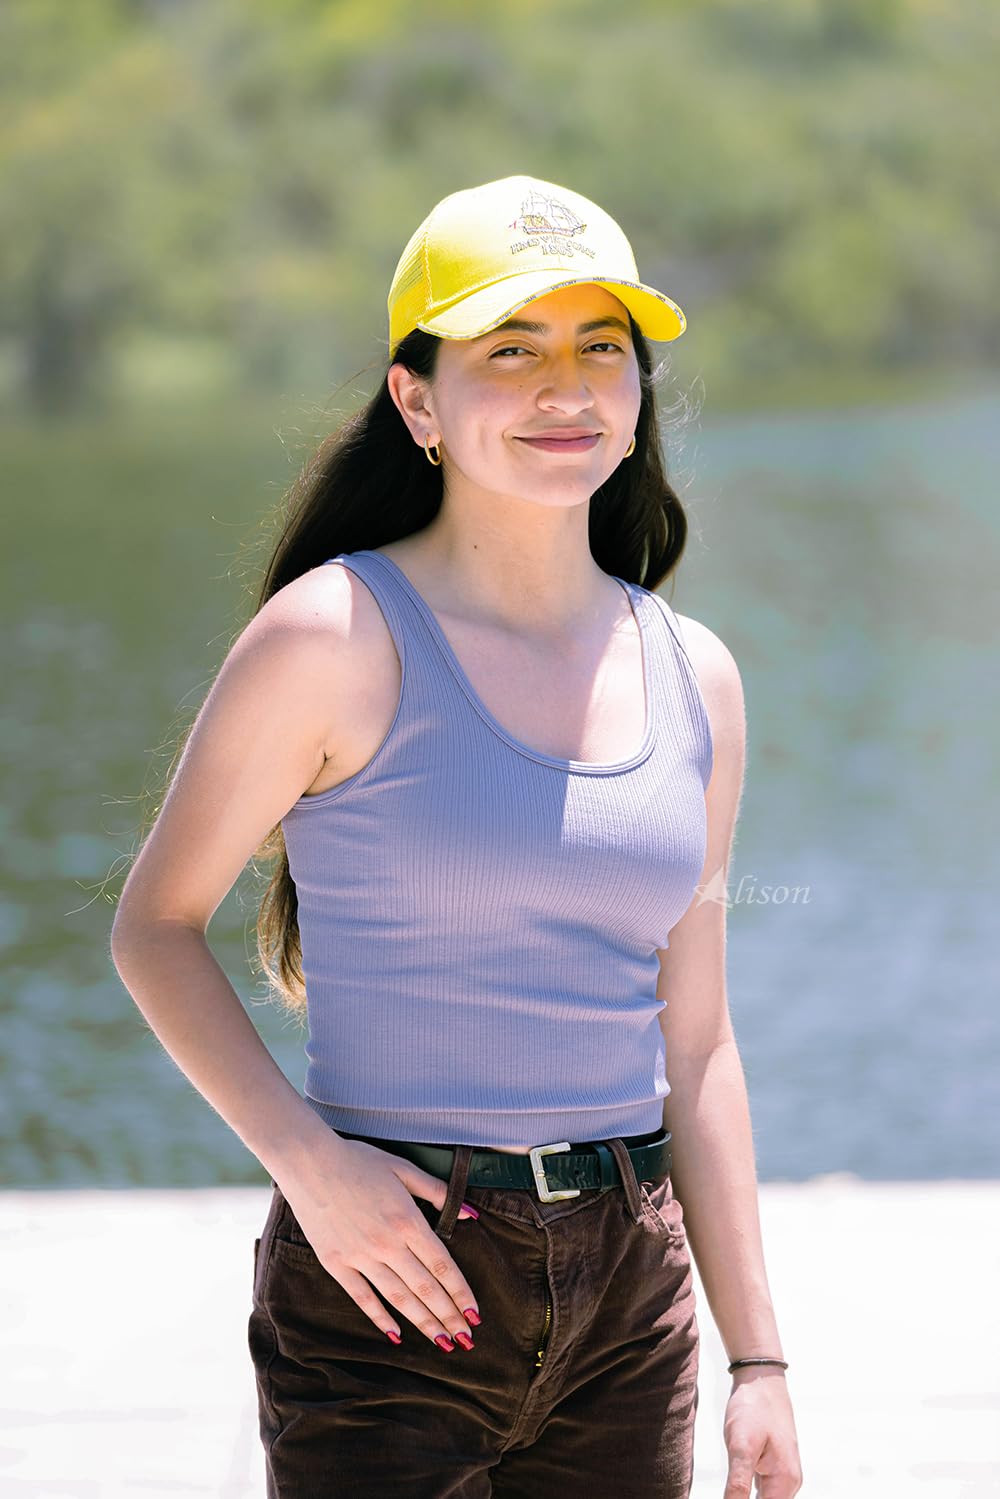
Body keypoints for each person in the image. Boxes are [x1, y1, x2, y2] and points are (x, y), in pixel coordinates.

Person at [110, 173, 803, 1498]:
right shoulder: (332, 636)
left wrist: (757, 1360)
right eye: (511, 352)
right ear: (418, 401)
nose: (568, 389)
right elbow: (156, 927)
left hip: (632, 1305)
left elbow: (700, 1042)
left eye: (601, 347)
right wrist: (312, 1171)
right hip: (392, 1282)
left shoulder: (697, 675)